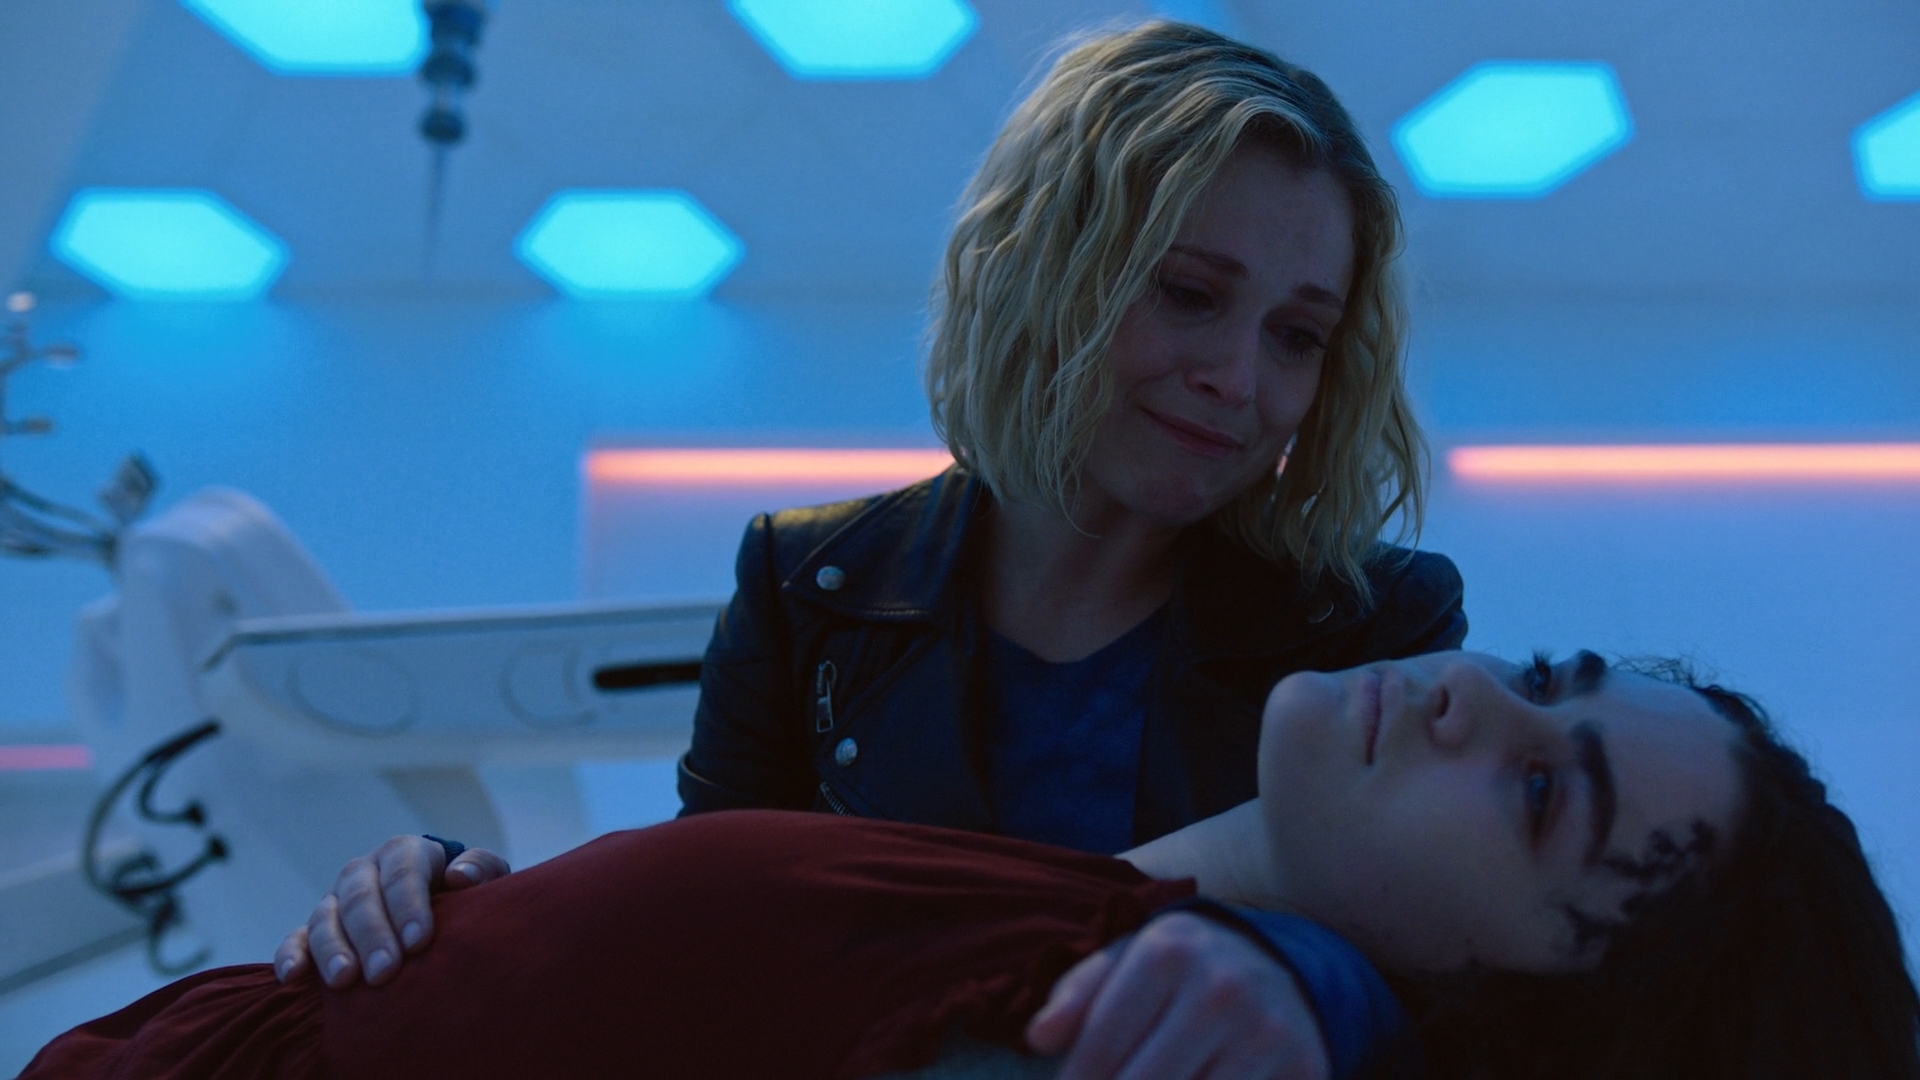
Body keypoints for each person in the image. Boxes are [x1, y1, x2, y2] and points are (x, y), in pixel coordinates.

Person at [275, 22, 1465, 1077]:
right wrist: (469, 905)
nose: (1240, 379)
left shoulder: (1373, 626)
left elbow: (1450, 980)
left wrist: (1309, 982)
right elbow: (701, 940)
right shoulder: (807, 589)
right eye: (1191, 294)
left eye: (1297, 335)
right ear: (1050, 269)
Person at [25, 652, 1920, 1079]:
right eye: (1548, 674)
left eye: (1541, 795)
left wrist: (1321, 1001)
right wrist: (470, 912)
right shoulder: (1055, 908)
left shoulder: (1121, 1025)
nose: (1473, 695)